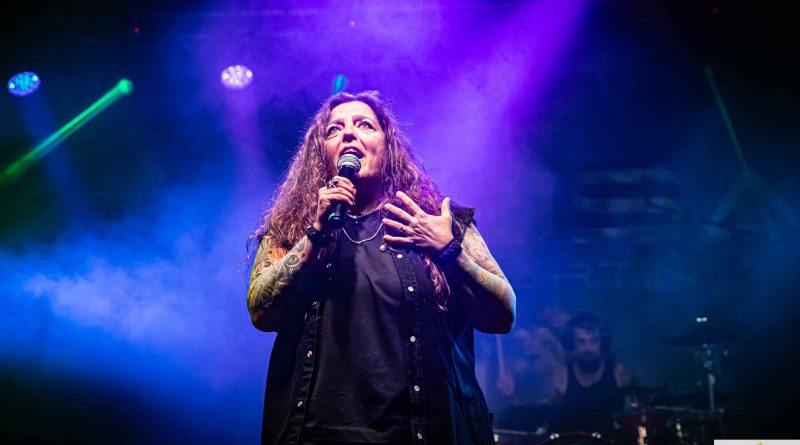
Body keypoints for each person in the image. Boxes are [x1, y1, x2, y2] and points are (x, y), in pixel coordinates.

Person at [246, 91, 516, 445]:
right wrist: (315, 236)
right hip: (316, 434)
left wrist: (449, 250)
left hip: (422, 433)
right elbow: (261, 313)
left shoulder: (437, 220)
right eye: (334, 129)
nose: (348, 133)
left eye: (364, 125)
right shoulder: (293, 227)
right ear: (320, 153)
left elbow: (503, 315)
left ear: (387, 146)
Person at [549, 312, 635, 440]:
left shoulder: (620, 373)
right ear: (572, 344)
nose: (588, 348)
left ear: (602, 342)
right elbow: (549, 418)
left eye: (594, 341)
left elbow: (632, 417)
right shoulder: (561, 376)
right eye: (581, 342)